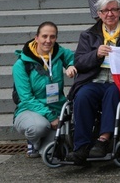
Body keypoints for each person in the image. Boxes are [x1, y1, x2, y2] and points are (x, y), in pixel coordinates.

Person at [66, 0, 120, 165]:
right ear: (99, 14)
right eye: (105, 11)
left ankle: (103, 140)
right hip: (95, 79)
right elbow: (79, 62)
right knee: (82, 95)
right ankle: (81, 146)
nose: (109, 14)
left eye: (113, 9)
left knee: (114, 92)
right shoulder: (88, 35)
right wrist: (96, 54)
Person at [13, 22, 76, 158]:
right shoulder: (21, 64)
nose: (48, 41)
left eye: (52, 37)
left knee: (53, 154)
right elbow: (26, 98)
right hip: (30, 109)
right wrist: (51, 117)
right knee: (38, 127)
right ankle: (33, 141)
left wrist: (71, 65)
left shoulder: (59, 53)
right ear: (36, 38)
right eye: (44, 36)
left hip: (56, 107)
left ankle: (44, 144)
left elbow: (75, 58)